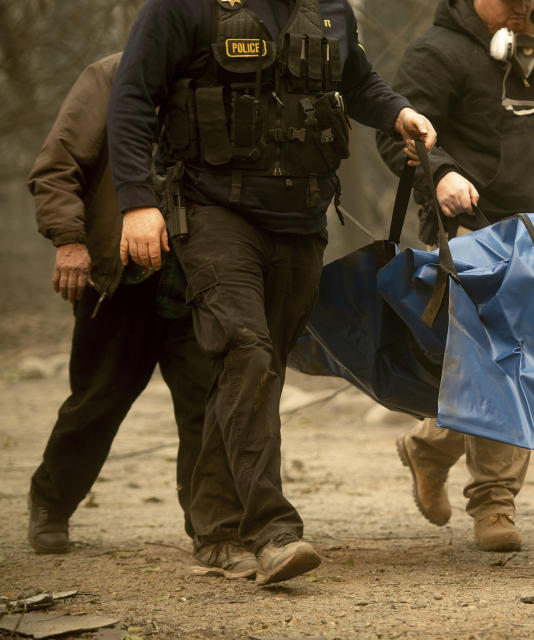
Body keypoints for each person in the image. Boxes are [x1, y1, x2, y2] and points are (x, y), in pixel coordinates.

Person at [107, 0, 436, 586]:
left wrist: (399, 112)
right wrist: (136, 201)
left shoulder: (331, 11)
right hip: (211, 211)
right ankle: (272, 531)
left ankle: (214, 529)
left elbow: (356, 82)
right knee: (247, 353)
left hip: (301, 218)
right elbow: (131, 99)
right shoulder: (181, 8)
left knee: (256, 371)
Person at [377, 0, 534, 552]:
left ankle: (430, 447)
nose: (523, 6)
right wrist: (441, 171)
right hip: (470, 237)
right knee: (507, 365)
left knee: (513, 367)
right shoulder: (436, 53)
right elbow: (394, 135)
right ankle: (493, 502)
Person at [26, 54, 216, 566]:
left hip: (197, 278)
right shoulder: (110, 75)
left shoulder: (226, 70)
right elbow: (56, 167)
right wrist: (69, 240)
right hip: (119, 278)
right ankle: (50, 503)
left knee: (206, 407)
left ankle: (209, 526)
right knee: (96, 402)